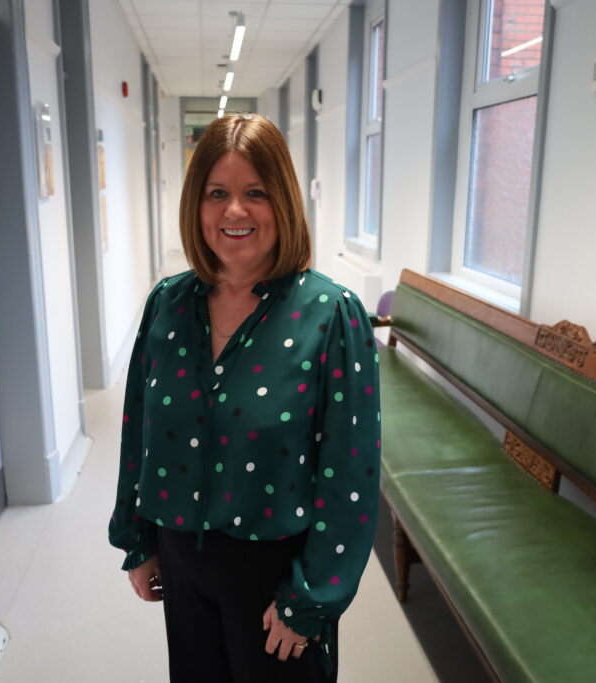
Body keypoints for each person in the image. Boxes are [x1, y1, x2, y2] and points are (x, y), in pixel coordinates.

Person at [109, 112, 381, 683]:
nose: (234, 211)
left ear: (283, 201)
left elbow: (350, 473)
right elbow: (140, 430)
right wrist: (139, 538)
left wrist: (311, 598)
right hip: (181, 561)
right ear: (196, 205)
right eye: (217, 193)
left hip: (276, 578)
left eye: (255, 192)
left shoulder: (330, 314)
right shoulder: (168, 305)